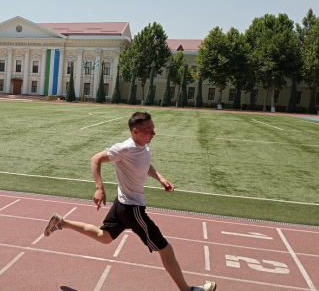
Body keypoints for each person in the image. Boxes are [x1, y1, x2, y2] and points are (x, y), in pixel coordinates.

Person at [44, 112, 216, 291]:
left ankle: (62, 223)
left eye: (153, 129)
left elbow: (145, 164)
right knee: (165, 250)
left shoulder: (144, 146)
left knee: (104, 237)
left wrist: (161, 179)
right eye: (149, 131)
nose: (153, 134)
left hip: (122, 203)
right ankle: (187, 290)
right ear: (135, 131)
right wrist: (99, 187)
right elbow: (95, 159)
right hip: (131, 209)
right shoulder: (124, 149)